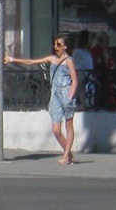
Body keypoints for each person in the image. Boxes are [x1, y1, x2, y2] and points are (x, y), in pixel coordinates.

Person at [5, 34, 78, 165]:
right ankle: (69, 154)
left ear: (65, 47)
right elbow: (31, 62)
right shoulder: (52, 59)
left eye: (59, 45)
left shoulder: (69, 61)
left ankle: (66, 156)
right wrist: (12, 59)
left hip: (65, 93)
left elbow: (75, 80)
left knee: (68, 126)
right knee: (56, 130)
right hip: (55, 95)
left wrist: (70, 96)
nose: (56, 47)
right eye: (55, 44)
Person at [71, 29, 95, 108]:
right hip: (82, 79)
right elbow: (77, 66)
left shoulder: (88, 52)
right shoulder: (77, 52)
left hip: (89, 78)